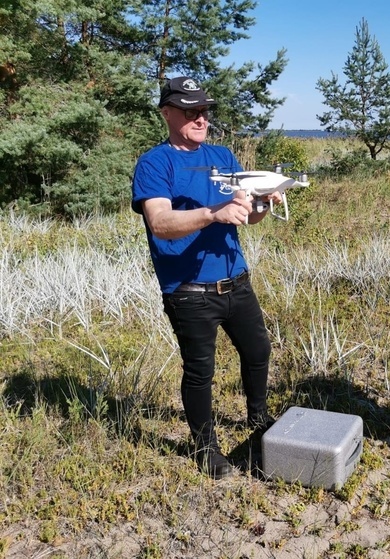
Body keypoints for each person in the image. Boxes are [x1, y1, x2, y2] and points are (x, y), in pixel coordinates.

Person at [132, 76, 279, 479]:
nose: (201, 118)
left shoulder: (223, 154)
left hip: (237, 280)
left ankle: (258, 420)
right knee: (200, 371)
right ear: (167, 113)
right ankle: (204, 447)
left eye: (204, 110)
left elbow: (247, 215)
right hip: (189, 291)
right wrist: (211, 214)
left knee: (258, 351)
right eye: (190, 110)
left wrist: (264, 201)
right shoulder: (155, 163)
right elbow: (160, 222)